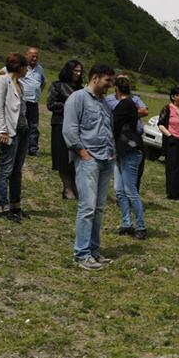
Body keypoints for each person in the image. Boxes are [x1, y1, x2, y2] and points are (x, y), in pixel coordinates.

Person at [62, 65, 116, 271]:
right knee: (87, 207)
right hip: (88, 159)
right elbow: (69, 129)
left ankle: (94, 250)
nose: (109, 86)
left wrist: (112, 152)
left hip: (105, 159)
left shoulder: (104, 104)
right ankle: (81, 254)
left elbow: (107, 128)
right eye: (106, 81)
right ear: (95, 78)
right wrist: (82, 152)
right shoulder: (78, 98)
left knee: (99, 208)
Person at [0, 53, 29, 221]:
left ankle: (15, 206)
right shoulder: (2, 81)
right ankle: (2, 206)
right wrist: (2, 130)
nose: (27, 69)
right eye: (25, 66)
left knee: (16, 171)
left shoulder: (19, 84)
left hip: (22, 130)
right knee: (5, 169)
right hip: (9, 131)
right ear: (19, 67)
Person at [112, 76, 147, 240]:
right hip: (122, 150)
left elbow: (114, 127)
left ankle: (141, 226)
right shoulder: (131, 104)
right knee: (119, 190)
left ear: (116, 89)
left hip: (130, 151)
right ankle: (127, 223)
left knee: (130, 190)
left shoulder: (124, 105)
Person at [104, 73, 148, 190]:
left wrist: (127, 114)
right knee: (121, 170)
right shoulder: (108, 100)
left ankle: (133, 194)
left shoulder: (135, 98)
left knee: (137, 170)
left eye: (126, 82)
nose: (124, 84)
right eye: (121, 81)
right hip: (120, 138)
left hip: (136, 137)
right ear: (116, 86)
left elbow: (144, 111)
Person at [47, 60, 83, 199]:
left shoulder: (81, 89)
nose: (78, 74)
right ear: (68, 70)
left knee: (75, 159)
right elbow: (51, 104)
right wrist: (70, 106)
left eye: (80, 71)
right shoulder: (57, 86)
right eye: (75, 71)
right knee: (62, 158)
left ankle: (75, 187)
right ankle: (67, 189)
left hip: (78, 127)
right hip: (60, 124)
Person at [20, 47, 46, 156]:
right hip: (23, 101)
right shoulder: (21, 66)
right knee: (22, 125)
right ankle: (21, 148)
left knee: (34, 126)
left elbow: (43, 82)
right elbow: (3, 71)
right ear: (27, 55)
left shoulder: (40, 69)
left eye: (36, 56)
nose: (34, 58)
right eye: (32, 56)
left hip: (34, 102)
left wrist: (38, 92)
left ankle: (33, 148)